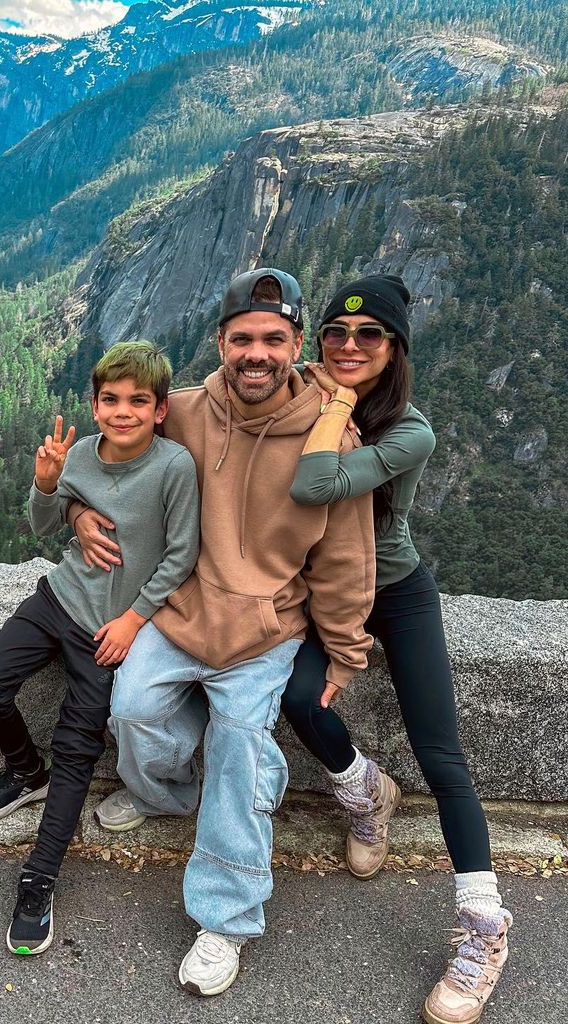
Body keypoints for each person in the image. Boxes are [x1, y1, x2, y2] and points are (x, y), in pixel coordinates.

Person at [71, 269, 377, 996]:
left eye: (274, 338)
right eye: (243, 338)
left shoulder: (331, 438)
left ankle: (226, 917)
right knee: (134, 711)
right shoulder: (182, 411)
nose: (257, 353)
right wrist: (75, 513)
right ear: (221, 342)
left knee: (240, 751)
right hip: (178, 611)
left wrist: (345, 651)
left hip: (265, 633)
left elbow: (344, 554)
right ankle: (166, 796)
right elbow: (102, 456)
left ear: (297, 344)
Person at [283, 274, 511, 1024]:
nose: (349, 346)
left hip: (396, 589)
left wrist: (338, 402)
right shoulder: (296, 392)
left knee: (441, 755)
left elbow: (317, 482)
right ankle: (364, 791)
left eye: (368, 335)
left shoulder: (410, 429)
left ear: (394, 348)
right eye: (336, 334)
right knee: (297, 699)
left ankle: (484, 929)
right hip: (321, 587)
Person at [0, 341, 200, 956]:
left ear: (160, 409)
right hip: (57, 599)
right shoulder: (83, 455)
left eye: (137, 401)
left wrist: (132, 621)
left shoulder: (174, 468)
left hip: (109, 631)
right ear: (94, 405)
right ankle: (22, 770)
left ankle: (38, 881)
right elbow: (41, 525)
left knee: (77, 750)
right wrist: (48, 487)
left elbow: (181, 555)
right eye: (111, 400)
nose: (123, 412)